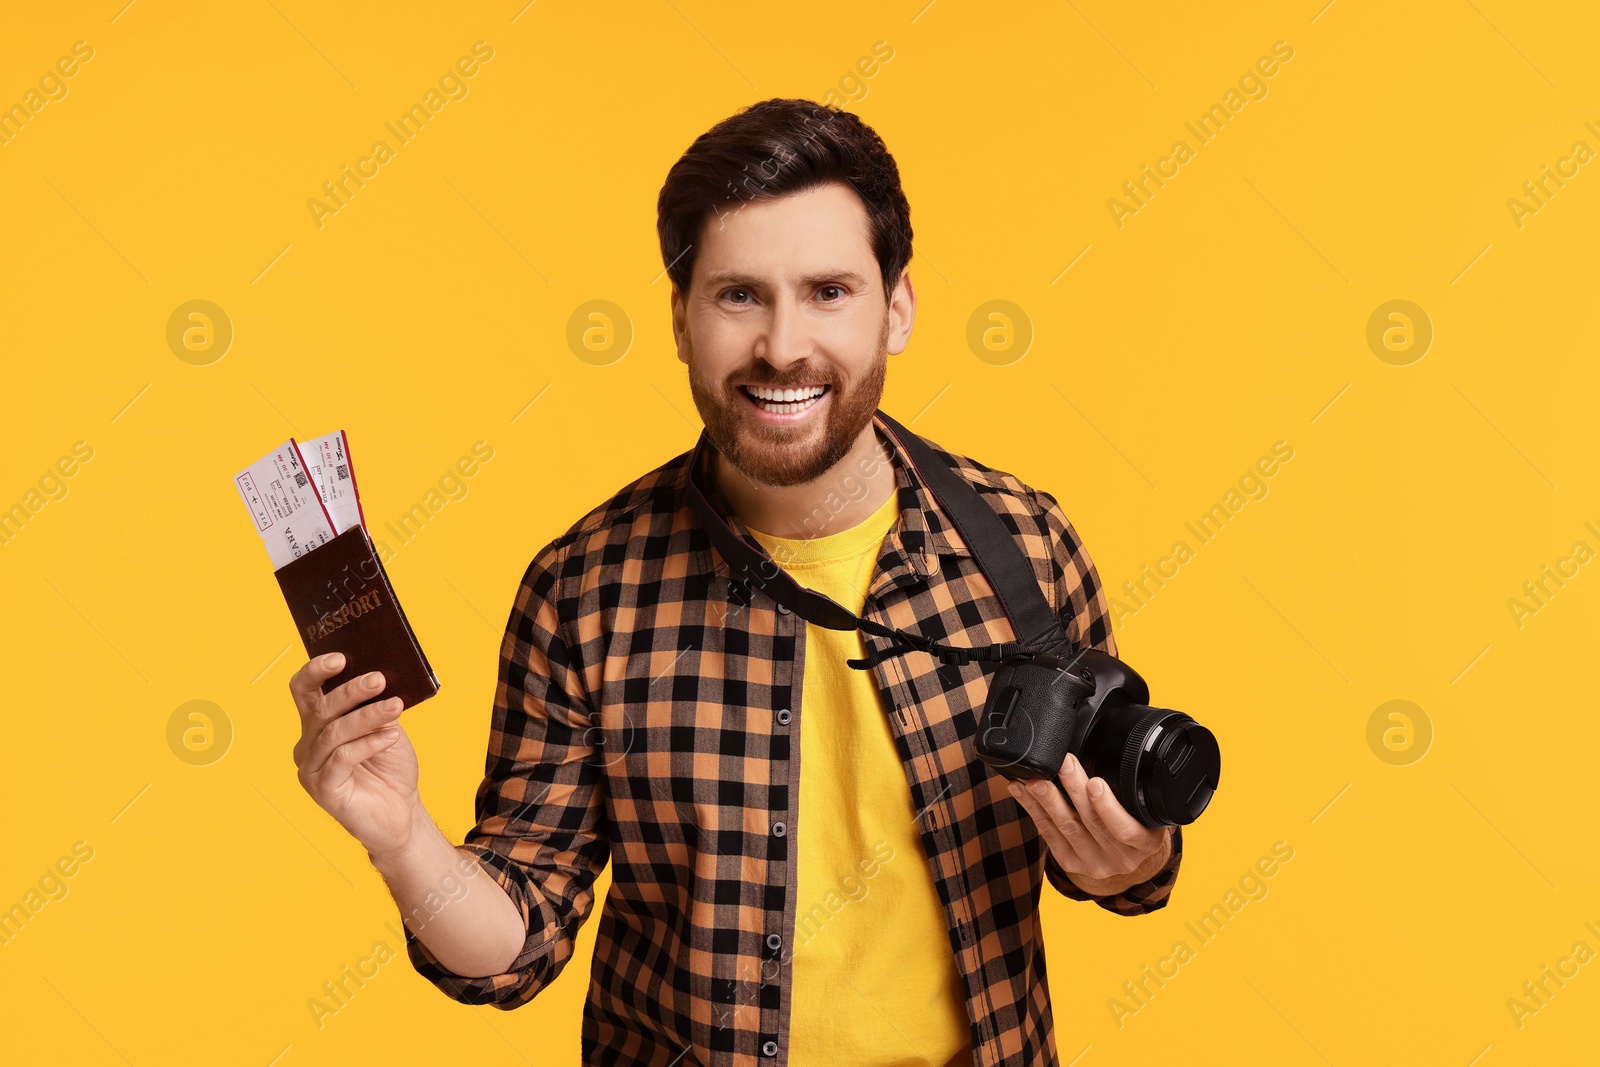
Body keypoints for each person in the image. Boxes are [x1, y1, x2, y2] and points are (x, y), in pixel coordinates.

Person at [289, 97, 1182, 1067]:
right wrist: (397, 834)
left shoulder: (1026, 544)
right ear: (680, 319)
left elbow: (1126, 849)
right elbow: (514, 946)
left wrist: (1137, 855)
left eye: (829, 290)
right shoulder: (584, 590)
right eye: (739, 295)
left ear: (899, 308)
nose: (783, 345)